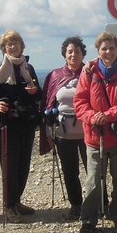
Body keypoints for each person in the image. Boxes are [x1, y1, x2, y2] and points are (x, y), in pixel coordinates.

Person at [73, 32, 117, 233]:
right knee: (93, 179)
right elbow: (79, 101)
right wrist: (93, 117)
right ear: (98, 51)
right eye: (104, 48)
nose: (108, 52)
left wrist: (106, 115)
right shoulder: (89, 72)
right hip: (95, 135)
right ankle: (89, 219)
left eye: (111, 48)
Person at [0, 29, 42, 218]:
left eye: (16, 43)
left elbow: (38, 93)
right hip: (7, 123)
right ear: (4, 48)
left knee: (24, 163)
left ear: (21, 46)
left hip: (26, 121)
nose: (13, 46)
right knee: (9, 164)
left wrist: (35, 92)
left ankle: (17, 201)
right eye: (9, 44)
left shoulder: (28, 68)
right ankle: (8, 206)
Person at [40, 36, 90, 220]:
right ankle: (76, 205)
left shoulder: (91, 73)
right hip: (62, 132)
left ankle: (99, 204)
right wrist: (47, 132)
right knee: (70, 171)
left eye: (77, 51)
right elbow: (47, 103)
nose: (73, 54)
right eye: (70, 51)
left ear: (83, 53)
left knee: (93, 170)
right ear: (64, 54)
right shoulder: (55, 75)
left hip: (88, 132)